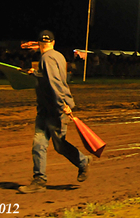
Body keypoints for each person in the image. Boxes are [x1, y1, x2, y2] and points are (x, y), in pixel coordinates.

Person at [18, 30, 91, 194]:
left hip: (54, 109)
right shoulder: (58, 56)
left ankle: (83, 161)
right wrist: (35, 73)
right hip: (47, 109)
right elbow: (54, 77)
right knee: (40, 143)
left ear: (38, 44)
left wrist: (62, 104)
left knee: (58, 145)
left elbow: (55, 82)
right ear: (53, 42)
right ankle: (39, 180)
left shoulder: (46, 57)